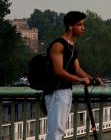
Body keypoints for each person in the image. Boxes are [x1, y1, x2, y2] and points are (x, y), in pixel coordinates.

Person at [44, 11, 104, 140]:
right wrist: (80, 80)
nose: (83, 27)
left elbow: (77, 69)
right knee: (56, 131)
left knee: (60, 130)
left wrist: (91, 79)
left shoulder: (72, 46)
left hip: (65, 91)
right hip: (56, 92)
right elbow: (58, 71)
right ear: (70, 26)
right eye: (80, 24)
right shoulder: (59, 45)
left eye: (83, 24)